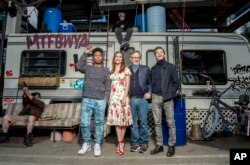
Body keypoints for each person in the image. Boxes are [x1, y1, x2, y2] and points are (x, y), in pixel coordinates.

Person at [77, 45, 111, 157]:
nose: (97, 57)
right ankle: (86, 143)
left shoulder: (106, 70)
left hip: (100, 100)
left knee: (99, 123)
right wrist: (85, 53)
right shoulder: (88, 68)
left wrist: (105, 99)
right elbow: (79, 66)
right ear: (93, 57)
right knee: (84, 123)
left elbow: (108, 86)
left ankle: (97, 144)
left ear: (102, 57)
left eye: (99, 55)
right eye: (95, 55)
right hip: (87, 99)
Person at [150, 46, 180, 157]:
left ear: (164, 54)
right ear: (155, 55)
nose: (159, 54)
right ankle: (159, 145)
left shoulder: (171, 67)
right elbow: (151, 83)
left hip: (167, 98)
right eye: (157, 52)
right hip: (155, 97)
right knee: (157, 123)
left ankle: (171, 145)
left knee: (170, 122)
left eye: (161, 52)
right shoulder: (153, 68)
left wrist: (171, 94)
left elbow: (176, 83)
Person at [106, 51, 132, 156]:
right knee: (117, 122)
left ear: (122, 59)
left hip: (123, 98)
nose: (118, 58)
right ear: (114, 58)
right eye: (116, 56)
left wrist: (125, 98)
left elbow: (127, 86)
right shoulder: (110, 70)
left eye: (120, 57)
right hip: (113, 99)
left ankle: (121, 143)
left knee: (123, 121)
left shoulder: (126, 70)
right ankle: (120, 143)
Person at [128, 50, 151, 153]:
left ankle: (144, 143)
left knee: (143, 122)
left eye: (138, 57)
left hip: (142, 99)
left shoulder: (145, 69)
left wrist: (149, 92)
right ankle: (135, 143)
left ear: (139, 58)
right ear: (130, 59)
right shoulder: (126, 69)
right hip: (131, 99)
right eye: (134, 57)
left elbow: (150, 83)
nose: (136, 59)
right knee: (133, 122)